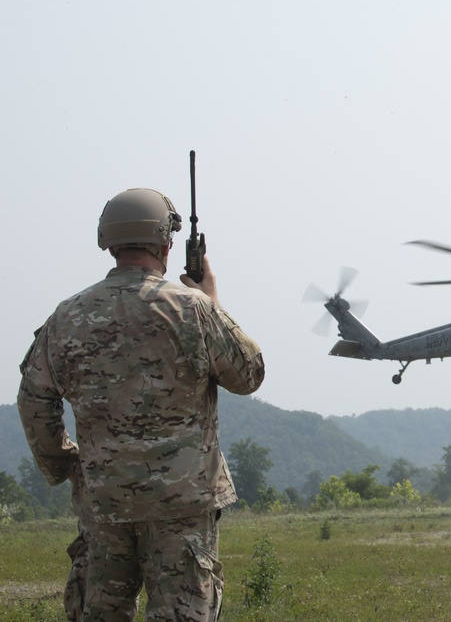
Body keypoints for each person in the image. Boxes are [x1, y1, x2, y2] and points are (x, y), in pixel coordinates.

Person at [17, 187, 266, 621]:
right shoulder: (193, 309)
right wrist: (212, 301)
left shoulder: (66, 317)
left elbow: (34, 401)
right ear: (166, 244)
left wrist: (66, 464)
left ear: (109, 243)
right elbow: (249, 375)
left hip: (103, 504)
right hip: (182, 507)